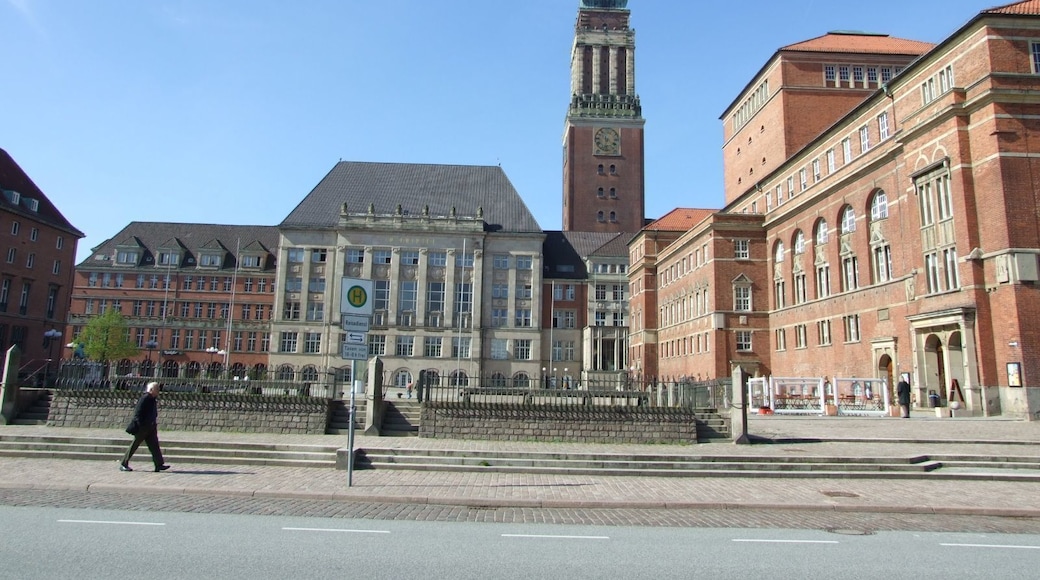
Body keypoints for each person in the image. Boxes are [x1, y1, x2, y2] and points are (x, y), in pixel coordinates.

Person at [120, 382, 170, 472]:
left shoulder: (152, 399)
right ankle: (124, 463)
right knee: (134, 445)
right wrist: (140, 425)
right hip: (143, 427)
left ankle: (159, 464)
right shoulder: (145, 398)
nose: (158, 391)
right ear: (151, 390)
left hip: (151, 427)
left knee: (154, 446)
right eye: (156, 389)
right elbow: (138, 413)